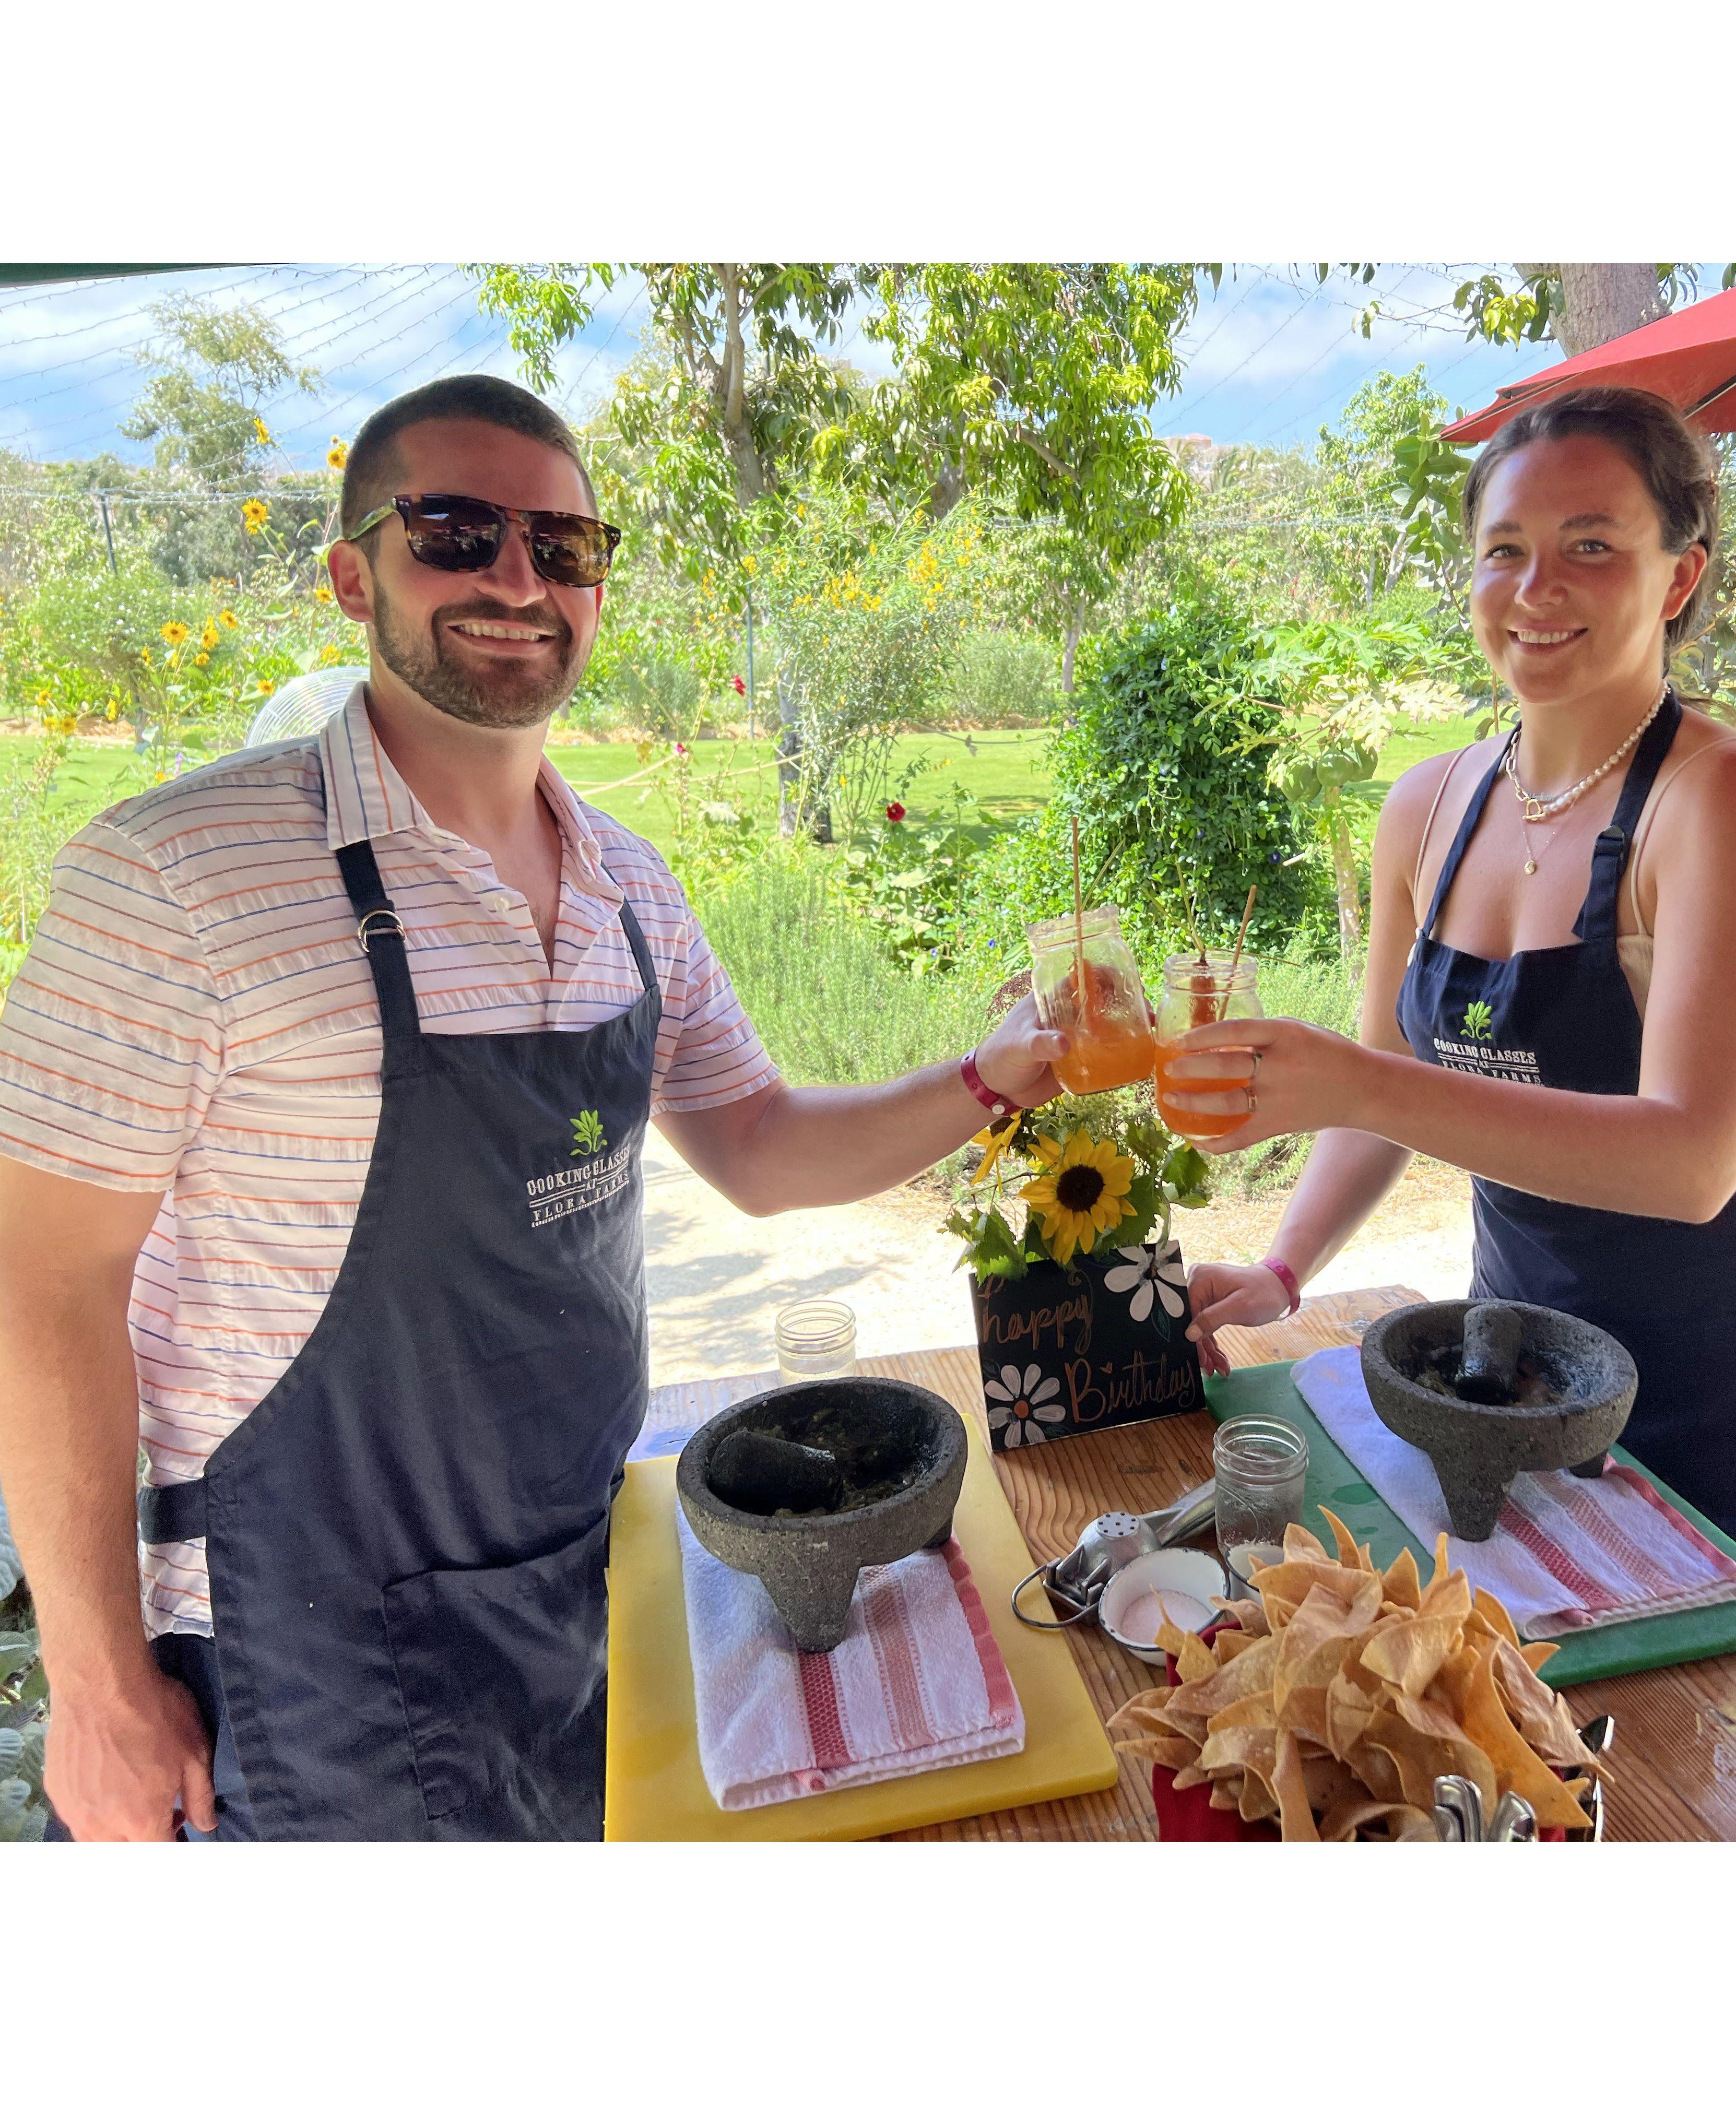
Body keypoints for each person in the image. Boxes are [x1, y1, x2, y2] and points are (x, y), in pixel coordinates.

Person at [0, 375, 1067, 1841]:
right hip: (301, 1652)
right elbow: (42, 1285)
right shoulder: (178, 877)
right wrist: (97, 1684)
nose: (519, 578)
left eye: (564, 547)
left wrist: (989, 1074)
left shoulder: (631, 887)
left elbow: (759, 1148)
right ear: (350, 571)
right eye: (457, 528)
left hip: (588, 1579)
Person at [1167, 387, 1736, 1757]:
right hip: (1521, 1356)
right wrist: (1287, 1267)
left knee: (1717, 1738)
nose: (1535, 589)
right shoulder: (1429, 805)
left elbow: (1690, 1157)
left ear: (1686, 573)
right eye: (1505, 549)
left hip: (1733, 1355)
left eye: (1593, 545)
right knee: (1543, 1727)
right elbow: (1386, 1069)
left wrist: (1364, 1087)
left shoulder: (1728, 797)